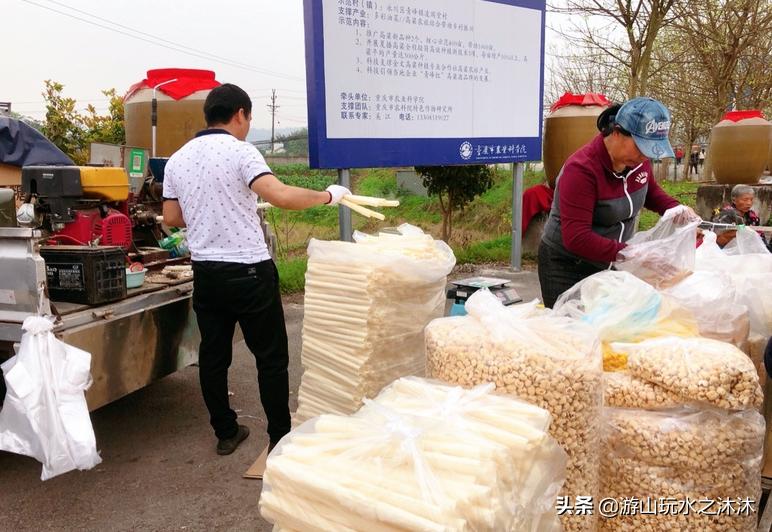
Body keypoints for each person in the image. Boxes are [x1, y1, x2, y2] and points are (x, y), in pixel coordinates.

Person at [162, 83, 351, 455]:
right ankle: (280, 439)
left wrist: (207, 216)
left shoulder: (178, 158)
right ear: (240, 115)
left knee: (214, 357)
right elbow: (279, 195)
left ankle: (225, 432)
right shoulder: (240, 152)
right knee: (270, 358)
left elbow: (171, 216)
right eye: (248, 118)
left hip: (207, 273)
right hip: (249, 271)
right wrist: (329, 196)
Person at [538, 96, 697, 308]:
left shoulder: (638, 162)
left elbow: (648, 191)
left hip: (612, 260)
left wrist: (675, 208)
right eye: (641, 147)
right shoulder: (582, 170)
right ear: (616, 132)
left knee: (608, 327)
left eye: (650, 150)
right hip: (567, 264)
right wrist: (632, 253)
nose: (644, 156)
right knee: (572, 332)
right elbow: (577, 237)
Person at [712, 184, 767, 248]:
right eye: (745, 200)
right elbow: (719, 240)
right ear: (734, 200)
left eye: (751, 200)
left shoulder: (752, 216)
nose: (749, 203)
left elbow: (760, 236)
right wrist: (742, 231)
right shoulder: (724, 214)